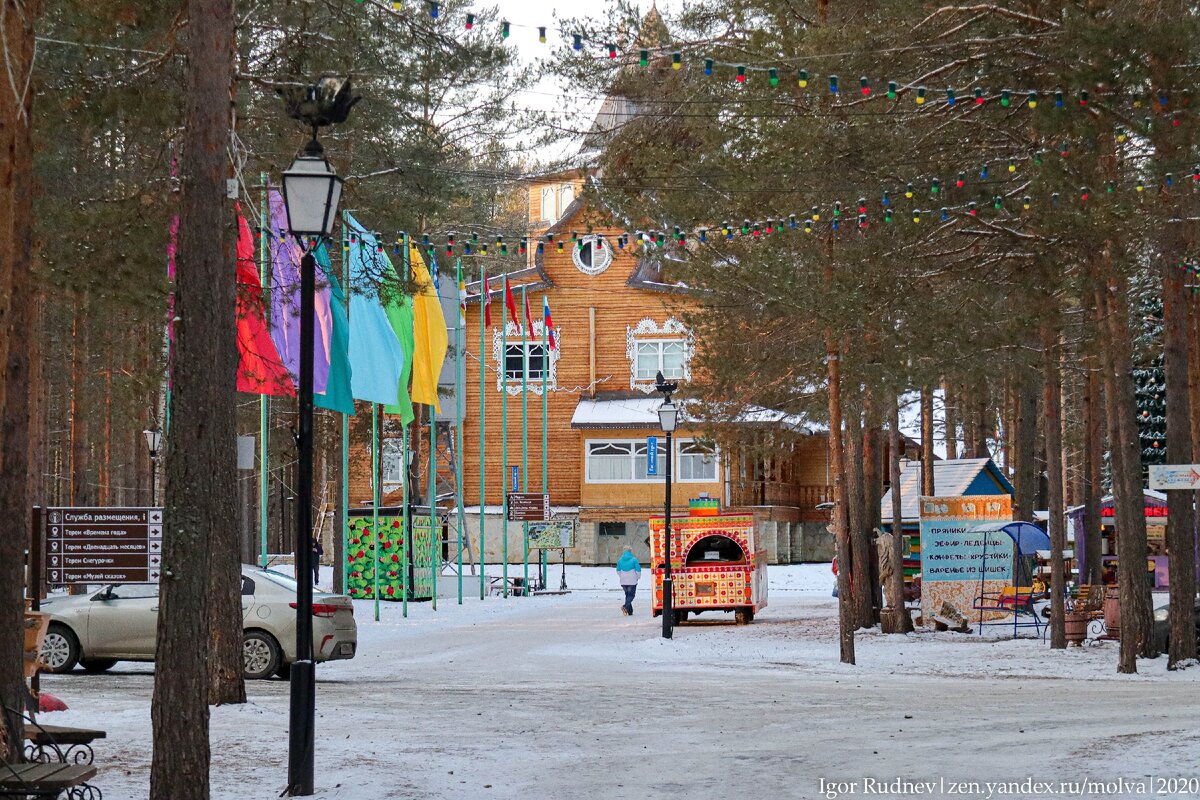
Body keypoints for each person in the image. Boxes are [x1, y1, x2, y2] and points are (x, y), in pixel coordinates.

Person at [615, 545, 642, 616]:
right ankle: (625, 606)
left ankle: (630, 612)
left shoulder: (620, 560)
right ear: (630, 551)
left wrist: (622, 576)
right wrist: (637, 577)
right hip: (632, 581)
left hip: (623, 581)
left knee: (627, 595)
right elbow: (638, 570)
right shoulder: (634, 560)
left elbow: (618, 571)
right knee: (631, 595)